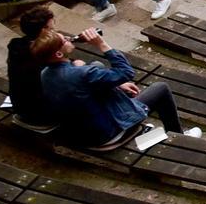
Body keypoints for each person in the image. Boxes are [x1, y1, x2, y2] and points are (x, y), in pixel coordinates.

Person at [35, 30, 197, 146]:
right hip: (107, 134)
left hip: (79, 133)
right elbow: (127, 72)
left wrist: (117, 84)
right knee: (161, 88)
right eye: (65, 40)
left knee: (97, 65)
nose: (70, 39)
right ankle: (179, 137)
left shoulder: (45, 74)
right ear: (58, 54)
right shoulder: (83, 74)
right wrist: (102, 44)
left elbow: (76, 84)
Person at [6, 6, 66, 127]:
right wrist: (63, 52)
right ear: (44, 31)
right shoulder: (45, 56)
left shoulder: (16, 45)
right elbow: (67, 76)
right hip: (41, 114)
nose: (54, 31)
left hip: (19, 105)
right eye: (52, 29)